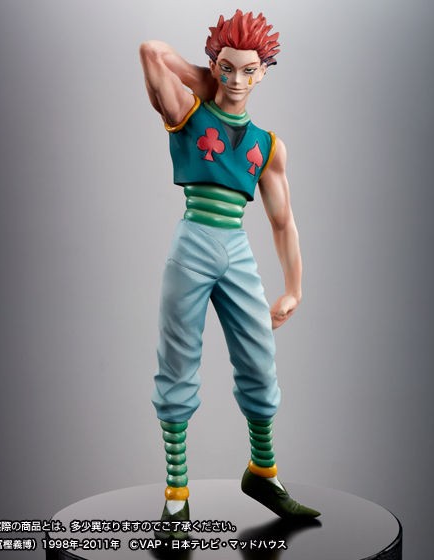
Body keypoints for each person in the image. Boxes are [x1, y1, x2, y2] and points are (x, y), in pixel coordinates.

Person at [140, 9, 320, 539]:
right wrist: (209, 80)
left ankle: (263, 473)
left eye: (248, 70)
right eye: (227, 67)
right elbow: (152, 51)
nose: (237, 79)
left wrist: (294, 287)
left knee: (260, 362)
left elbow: (283, 222)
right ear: (214, 66)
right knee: (177, 365)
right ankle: (176, 494)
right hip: (193, 243)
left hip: (236, 250)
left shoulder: (268, 144)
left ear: (264, 72)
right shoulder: (188, 112)